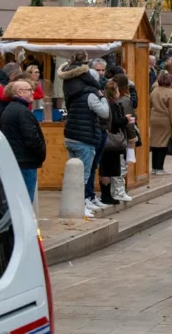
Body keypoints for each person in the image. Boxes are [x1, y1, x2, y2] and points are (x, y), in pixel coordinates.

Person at [58, 51, 109, 218]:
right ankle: (80, 205)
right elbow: (104, 113)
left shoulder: (71, 92)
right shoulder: (91, 95)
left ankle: (74, 205)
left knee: (73, 172)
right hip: (85, 138)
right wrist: (102, 97)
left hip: (70, 135)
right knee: (84, 175)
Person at [0, 80, 46, 202]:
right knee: (25, 201)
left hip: (17, 160)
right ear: (20, 92)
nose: (33, 92)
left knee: (16, 201)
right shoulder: (22, 112)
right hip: (26, 162)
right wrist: (41, 153)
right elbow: (32, 139)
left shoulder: (10, 109)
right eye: (29, 90)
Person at [98, 81, 134, 205]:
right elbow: (114, 122)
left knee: (108, 169)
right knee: (107, 169)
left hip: (108, 142)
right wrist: (126, 119)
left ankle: (108, 194)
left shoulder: (106, 104)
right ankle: (106, 195)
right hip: (111, 142)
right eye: (117, 90)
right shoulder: (111, 105)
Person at [111, 73, 137, 202]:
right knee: (121, 165)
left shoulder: (111, 99)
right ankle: (119, 191)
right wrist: (132, 138)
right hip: (122, 136)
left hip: (112, 136)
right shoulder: (125, 100)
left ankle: (116, 190)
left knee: (115, 164)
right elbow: (130, 121)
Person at [150, 71, 172, 174]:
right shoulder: (170, 93)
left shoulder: (154, 91)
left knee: (154, 144)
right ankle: (160, 168)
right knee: (163, 145)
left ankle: (154, 168)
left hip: (153, 119)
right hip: (165, 121)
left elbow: (149, 105)